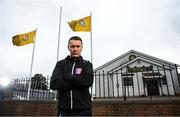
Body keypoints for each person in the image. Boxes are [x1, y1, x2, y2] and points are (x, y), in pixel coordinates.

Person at [50, 36, 94, 116]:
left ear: (81, 47)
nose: (75, 49)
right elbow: (54, 84)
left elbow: (88, 82)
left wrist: (67, 77)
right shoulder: (61, 64)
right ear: (68, 47)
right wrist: (79, 83)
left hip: (83, 111)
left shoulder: (87, 64)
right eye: (72, 46)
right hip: (64, 111)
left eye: (78, 46)